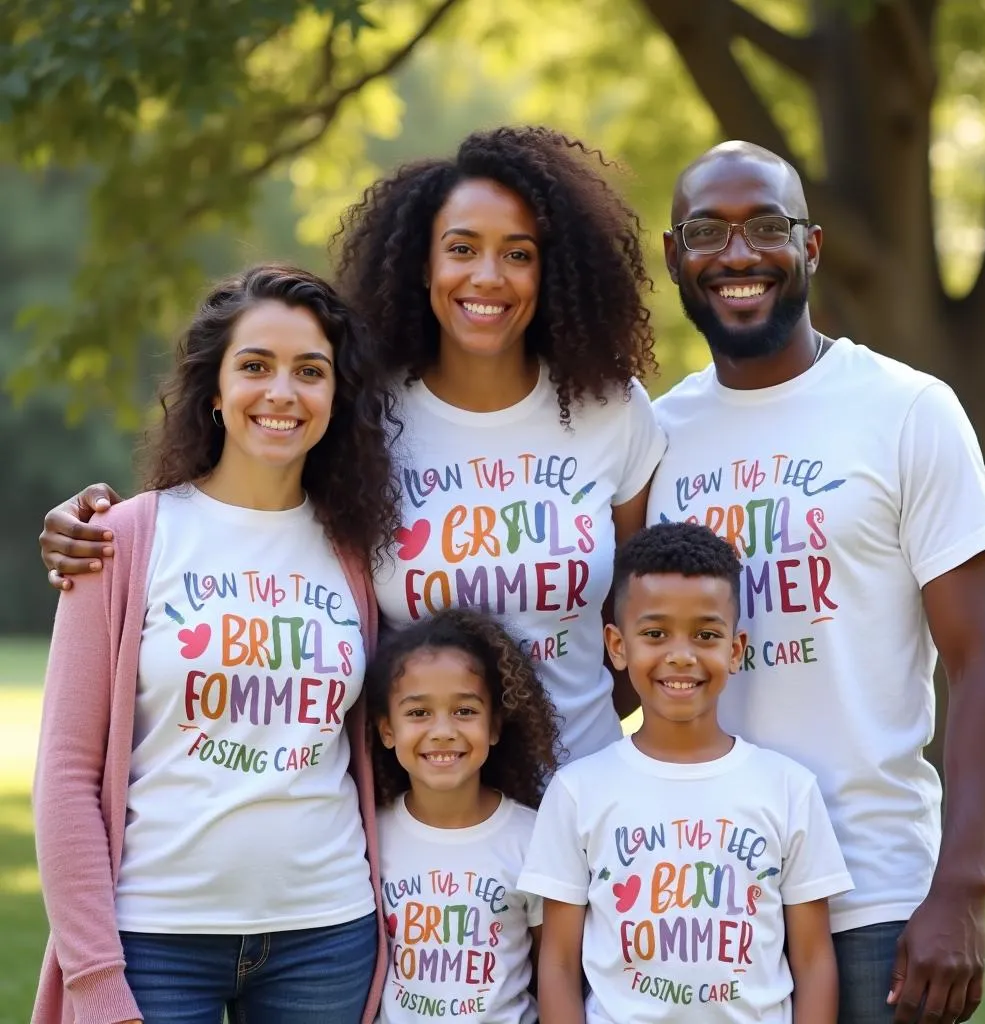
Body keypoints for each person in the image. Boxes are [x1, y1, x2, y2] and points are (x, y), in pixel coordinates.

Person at [38, 125, 667, 765]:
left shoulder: (609, 411)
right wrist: (106, 528)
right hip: (421, 824)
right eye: (461, 248)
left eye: (518, 253)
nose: (487, 275)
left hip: (582, 800)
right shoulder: (364, 412)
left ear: (550, 269)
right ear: (424, 265)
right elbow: (246, 503)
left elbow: (640, 620)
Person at [646, 141, 985, 1024]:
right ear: (674, 259)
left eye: (767, 227)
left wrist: (959, 890)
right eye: (708, 232)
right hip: (709, 899)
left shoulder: (906, 410)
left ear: (809, 248)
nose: (738, 255)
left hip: (877, 895)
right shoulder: (654, 440)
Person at [32, 265, 396, 1024]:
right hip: (155, 941)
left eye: (310, 371)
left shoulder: (358, 555)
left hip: (325, 934)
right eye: (255, 366)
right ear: (214, 389)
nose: (282, 392)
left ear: (335, 395)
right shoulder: (123, 540)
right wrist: (94, 976)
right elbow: (66, 773)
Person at [519, 522, 852, 1023]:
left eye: (706, 635)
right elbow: (560, 964)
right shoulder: (577, 791)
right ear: (617, 645)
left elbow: (813, 961)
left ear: (735, 649)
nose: (680, 654)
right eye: (655, 634)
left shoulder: (787, 789)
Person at [365, 607, 560, 1023]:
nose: (442, 730)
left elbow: (555, 971)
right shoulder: (369, 836)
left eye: (465, 711)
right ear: (386, 730)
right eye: (418, 713)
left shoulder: (533, 837)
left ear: (493, 726)